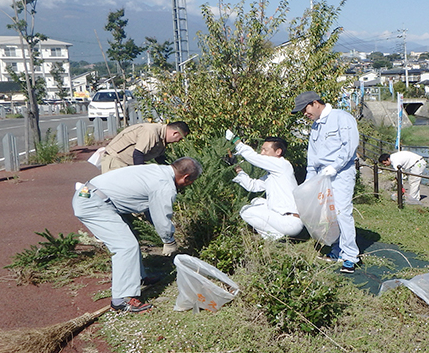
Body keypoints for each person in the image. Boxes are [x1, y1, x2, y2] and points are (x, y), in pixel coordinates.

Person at [73, 157, 203, 312]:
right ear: (186, 178)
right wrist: (169, 240)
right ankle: (122, 299)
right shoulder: (165, 185)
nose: (189, 185)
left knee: (130, 239)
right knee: (125, 246)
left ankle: (139, 278)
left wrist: (162, 230)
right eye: (191, 181)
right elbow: (161, 216)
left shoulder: (157, 170)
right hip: (93, 204)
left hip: (92, 195)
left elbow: (152, 210)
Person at [292, 90, 360, 274]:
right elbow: (312, 157)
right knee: (328, 214)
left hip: (342, 173)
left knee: (342, 212)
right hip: (322, 175)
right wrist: (309, 183)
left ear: (315, 103)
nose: (305, 114)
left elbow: (350, 145)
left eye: (305, 109)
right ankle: (337, 249)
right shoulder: (315, 126)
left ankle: (350, 256)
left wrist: (335, 167)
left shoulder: (341, 118)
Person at [231, 136, 303, 240]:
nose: (262, 153)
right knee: (256, 201)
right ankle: (275, 236)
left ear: (278, 152)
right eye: (261, 150)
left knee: (245, 211)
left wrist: (236, 141)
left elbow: (255, 158)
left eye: (265, 150)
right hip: (281, 219)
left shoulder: (282, 164)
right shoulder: (273, 174)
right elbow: (252, 186)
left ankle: (275, 237)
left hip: (290, 222)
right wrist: (236, 167)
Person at [100, 121, 189, 173]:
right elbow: (138, 154)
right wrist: (142, 177)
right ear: (175, 133)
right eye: (180, 138)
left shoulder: (162, 138)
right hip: (116, 161)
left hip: (127, 163)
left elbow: (160, 159)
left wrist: (173, 171)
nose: (178, 141)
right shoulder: (151, 132)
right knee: (115, 195)